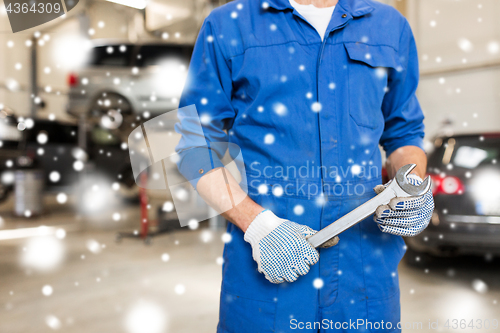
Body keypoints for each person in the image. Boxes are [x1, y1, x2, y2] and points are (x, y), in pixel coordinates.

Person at [174, 0, 435, 331]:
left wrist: (412, 186)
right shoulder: (229, 24)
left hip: (365, 276)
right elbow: (194, 143)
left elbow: (404, 133)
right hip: (266, 281)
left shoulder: (389, 26)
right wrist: (257, 225)